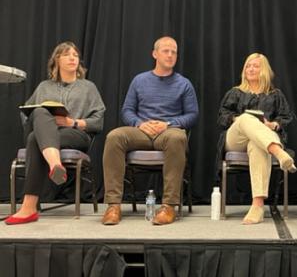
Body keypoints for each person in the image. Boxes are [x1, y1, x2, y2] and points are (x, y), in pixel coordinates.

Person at [5, 41, 106, 225]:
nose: (72, 58)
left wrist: (71, 122)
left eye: (75, 55)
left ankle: (28, 207)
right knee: (39, 116)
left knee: (35, 138)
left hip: (75, 135)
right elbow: (26, 113)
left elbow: (98, 122)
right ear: (57, 60)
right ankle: (55, 165)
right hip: (47, 135)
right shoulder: (44, 87)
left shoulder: (88, 87)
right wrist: (45, 123)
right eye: (67, 54)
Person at [102, 36, 198, 226]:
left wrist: (168, 124)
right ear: (155, 54)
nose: (170, 55)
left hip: (168, 132)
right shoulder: (140, 80)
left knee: (177, 138)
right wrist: (139, 123)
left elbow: (192, 115)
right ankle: (113, 205)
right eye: (166, 51)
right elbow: (127, 110)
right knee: (114, 137)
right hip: (142, 131)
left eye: (174, 52)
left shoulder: (184, 84)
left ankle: (169, 206)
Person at [217, 53, 296, 225]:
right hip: (236, 139)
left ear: (265, 70)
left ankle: (257, 206)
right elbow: (222, 117)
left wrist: (273, 125)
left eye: (255, 66)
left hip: (262, 139)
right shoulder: (236, 92)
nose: (251, 69)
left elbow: (286, 117)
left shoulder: (275, 94)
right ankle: (278, 151)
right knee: (246, 118)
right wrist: (237, 120)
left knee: (256, 144)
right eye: (248, 66)